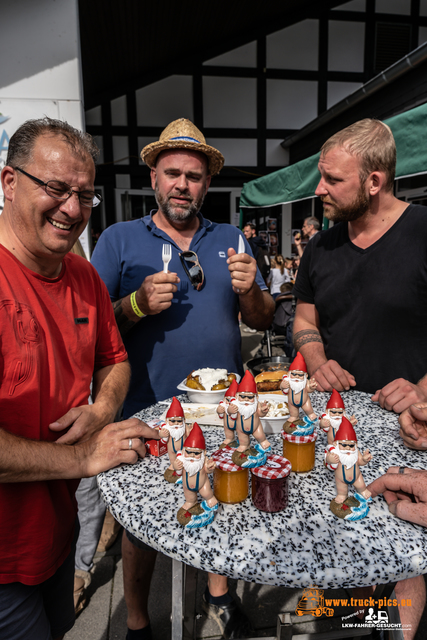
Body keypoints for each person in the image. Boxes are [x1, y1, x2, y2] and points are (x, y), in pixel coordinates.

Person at [91, 118, 275, 640]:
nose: (182, 185)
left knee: (218, 500)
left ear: (206, 183)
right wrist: (134, 303)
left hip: (220, 411)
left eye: (193, 176)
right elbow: (92, 322)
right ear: (153, 176)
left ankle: (219, 600)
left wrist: (250, 294)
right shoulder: (119, 239)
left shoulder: (232, 238)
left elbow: (262, 319)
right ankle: (137, 622)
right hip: (146, 410)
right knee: (141, 525)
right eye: (172, 173)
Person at [0, 117, 158, 640]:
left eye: (85, 194)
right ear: (9, 182)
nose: (72, 209)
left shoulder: (84, 275)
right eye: (55, 189)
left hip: (58, 536)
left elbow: (114, 358)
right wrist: (80, 457)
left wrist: (102, 409)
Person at [292, 118, 427, 639]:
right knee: (339, 581)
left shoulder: (423, 232)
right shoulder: (321, 248)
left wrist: (422, 387)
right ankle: (345, 627)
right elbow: (304, 319)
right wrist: (316, 356)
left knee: (406, 582)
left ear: (374, 181)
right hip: (336, 439)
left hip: (413, 438)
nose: (319, 189)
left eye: (332, 180)